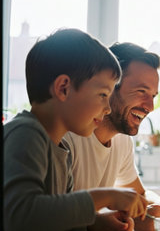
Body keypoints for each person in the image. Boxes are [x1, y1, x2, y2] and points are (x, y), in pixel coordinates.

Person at [3, 28, 149, 231]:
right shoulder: (25, 134)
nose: (107, 108)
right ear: (63, 88)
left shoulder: (61, 149)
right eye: (103, 95)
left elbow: (56, 220)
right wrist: (105, 196)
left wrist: (97, 224)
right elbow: (21, 215)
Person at [63, 42, 160, 230]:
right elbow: (47, 216)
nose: (150, 106)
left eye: (153, 95)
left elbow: (138, 195)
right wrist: (95, 225)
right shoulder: (67, 137)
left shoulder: (122, 140)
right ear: (110, 86)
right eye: (141, 91)